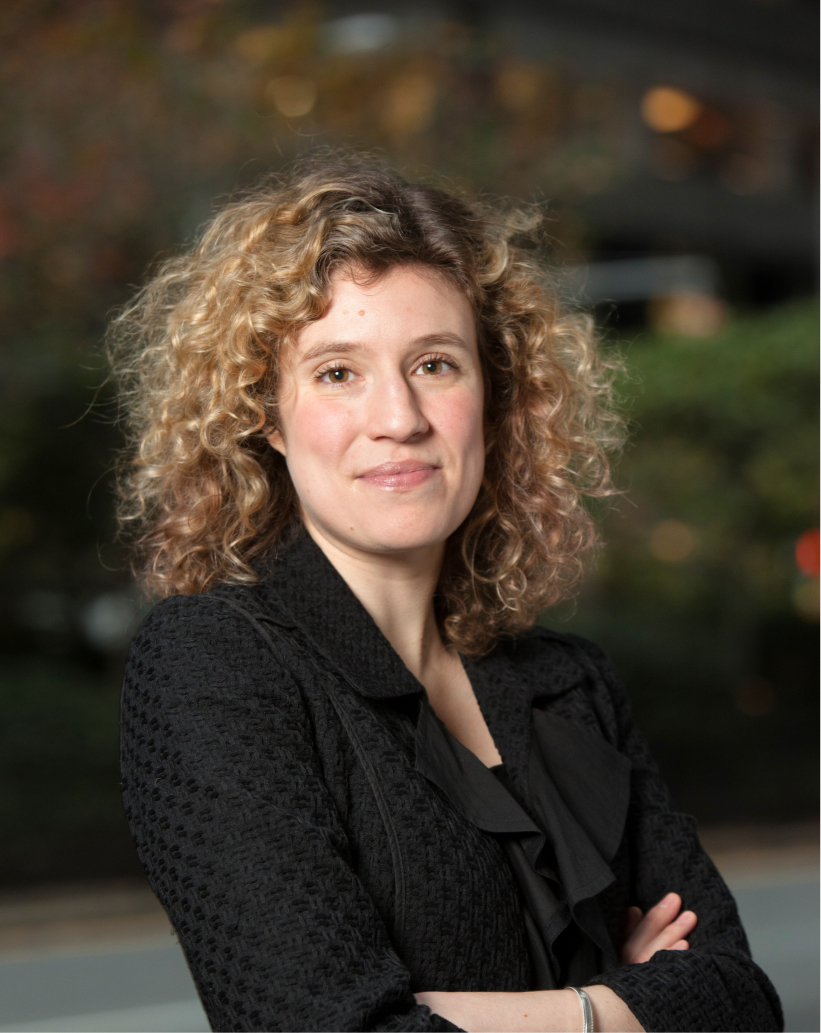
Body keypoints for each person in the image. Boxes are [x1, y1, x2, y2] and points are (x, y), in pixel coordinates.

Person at [112, 158, 782, 1033]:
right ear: (266, 417)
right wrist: (609, 1008)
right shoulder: (214, 663)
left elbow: (739, 998)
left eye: (434, 363)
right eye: (337, 373)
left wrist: (440, 1011)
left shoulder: (568, 681)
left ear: (493, 397)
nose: (399, 415)